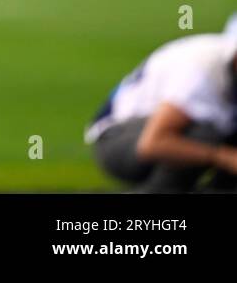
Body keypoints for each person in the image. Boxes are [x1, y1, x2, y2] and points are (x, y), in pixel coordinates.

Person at [84, 21, 237, 192]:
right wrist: (223, 157)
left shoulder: (226, 61)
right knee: (203, 133)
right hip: (118, 141)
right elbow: (153, 143)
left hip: (147, 136)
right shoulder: (201, 69)